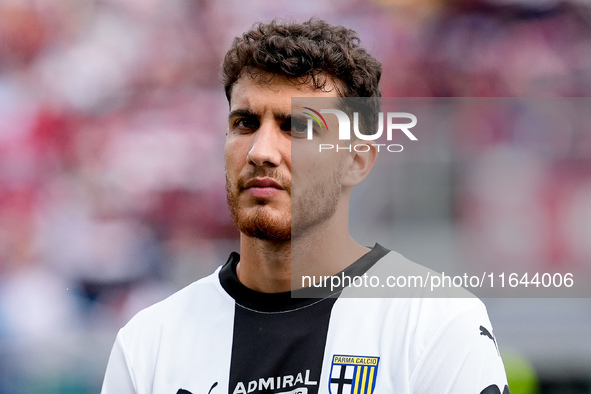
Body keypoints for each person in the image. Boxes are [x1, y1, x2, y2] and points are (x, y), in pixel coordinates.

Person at [101, 19, 509, 394]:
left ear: (356, 160)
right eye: (244, 123)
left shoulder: (434, 323)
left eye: (296, 126)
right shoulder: (149, 345)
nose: (261, 151)